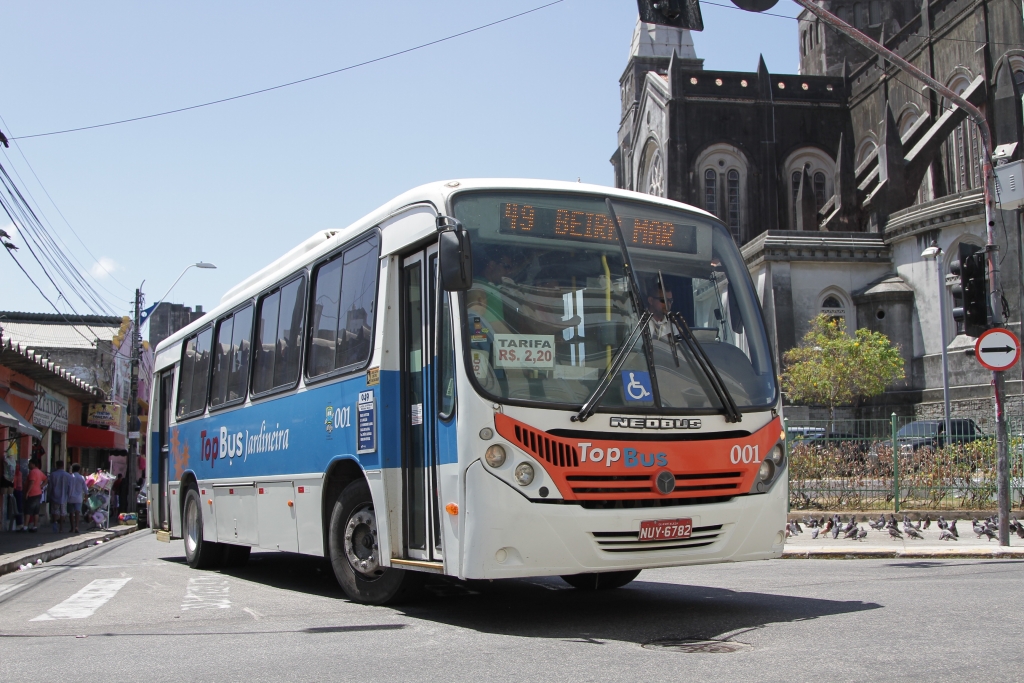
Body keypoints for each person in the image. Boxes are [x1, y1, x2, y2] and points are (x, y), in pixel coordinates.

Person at [645, 275, 674, 342]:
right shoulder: (637, 321)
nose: (668, 304)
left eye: (670, 301)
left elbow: (678, 349)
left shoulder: (672, 326)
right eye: (663, 300)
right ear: (651, 300)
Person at [47, 460, 71, 533]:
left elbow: (50, 485)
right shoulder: (68, 475)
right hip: (64, 496)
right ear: (63, 465)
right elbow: (69, 487)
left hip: (55, 495)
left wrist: (49, 494)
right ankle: (61, 527)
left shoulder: (53, 474)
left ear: (56, 466)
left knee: (55, 511)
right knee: (62, 512)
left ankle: (55, 524)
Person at [24, 459, 46, 533]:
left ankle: (25, 526)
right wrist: (41, 486)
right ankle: (35, 526)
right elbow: (46, 479)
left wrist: (27, 492)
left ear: (33, 464)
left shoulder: (33, 472)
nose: (28, 465)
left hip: (32, 493)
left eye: (29, 464)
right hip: (38, 493)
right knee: (36, 511)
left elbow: (31, 482)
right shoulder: (39, 472)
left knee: (28, 511)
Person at [67, 464, 87, 533]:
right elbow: (85, 488)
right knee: (77, 512)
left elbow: (67, 487)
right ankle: (77, 527)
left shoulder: (70, 477)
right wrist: (86, 496)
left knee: (71, 513)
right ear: (79, 470)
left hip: (70, 497)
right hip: (78, 498)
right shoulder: (81, 477)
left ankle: (72, 527)